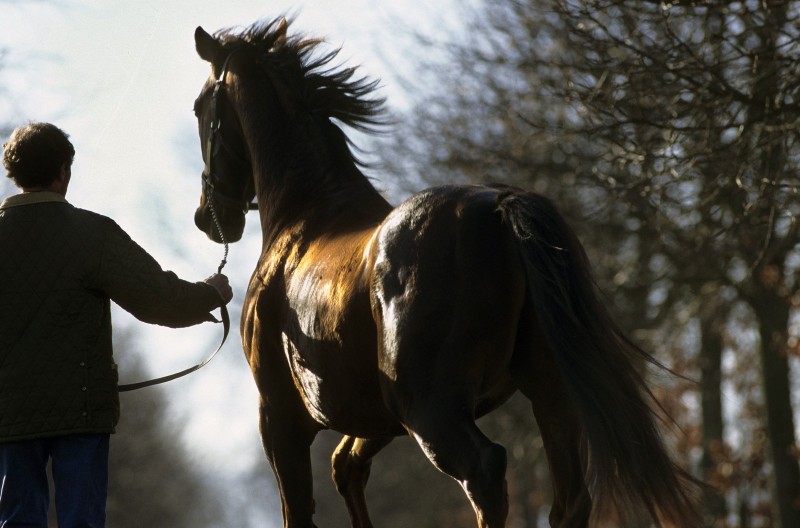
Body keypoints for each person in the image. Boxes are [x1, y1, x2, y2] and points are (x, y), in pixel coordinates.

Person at [0, 122, 234, 527]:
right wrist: (211, 293)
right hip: (82, 408)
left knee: (18, 520)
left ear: (14, 174)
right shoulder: (92, 234)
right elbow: (159, 299)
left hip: (8, 413)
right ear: (63, 172)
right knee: (81, 521)